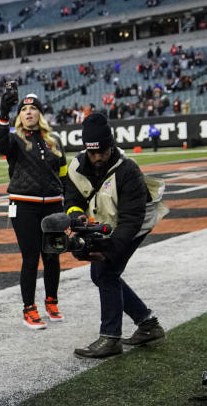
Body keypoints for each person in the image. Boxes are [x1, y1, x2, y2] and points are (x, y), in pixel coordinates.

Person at [67, 113, 166, 358]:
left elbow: (131, 220)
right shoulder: (77, 166)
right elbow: (72, 199)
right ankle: (147, 324)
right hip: (106, 222)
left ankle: (111, 338)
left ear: (111, 145)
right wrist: (77, 219)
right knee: (102, 274)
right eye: (93, 152)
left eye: (103, 150)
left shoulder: (127, 170)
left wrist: (109, 250)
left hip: (135, 223)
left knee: (106, 271)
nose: (98, 157)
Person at [0, 89, 67, 329]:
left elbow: (63, 174)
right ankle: (29, 308)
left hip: (54, 205)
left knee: (53, 255)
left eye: (33, 108)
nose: (28, 112)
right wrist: (4, 113)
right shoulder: (14, 139)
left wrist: (68, 203)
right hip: (23, 205)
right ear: (19, 116)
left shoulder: (54, 141)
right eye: (23, 109)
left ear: (40, 113)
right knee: (31, 257)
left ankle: (52, 301)